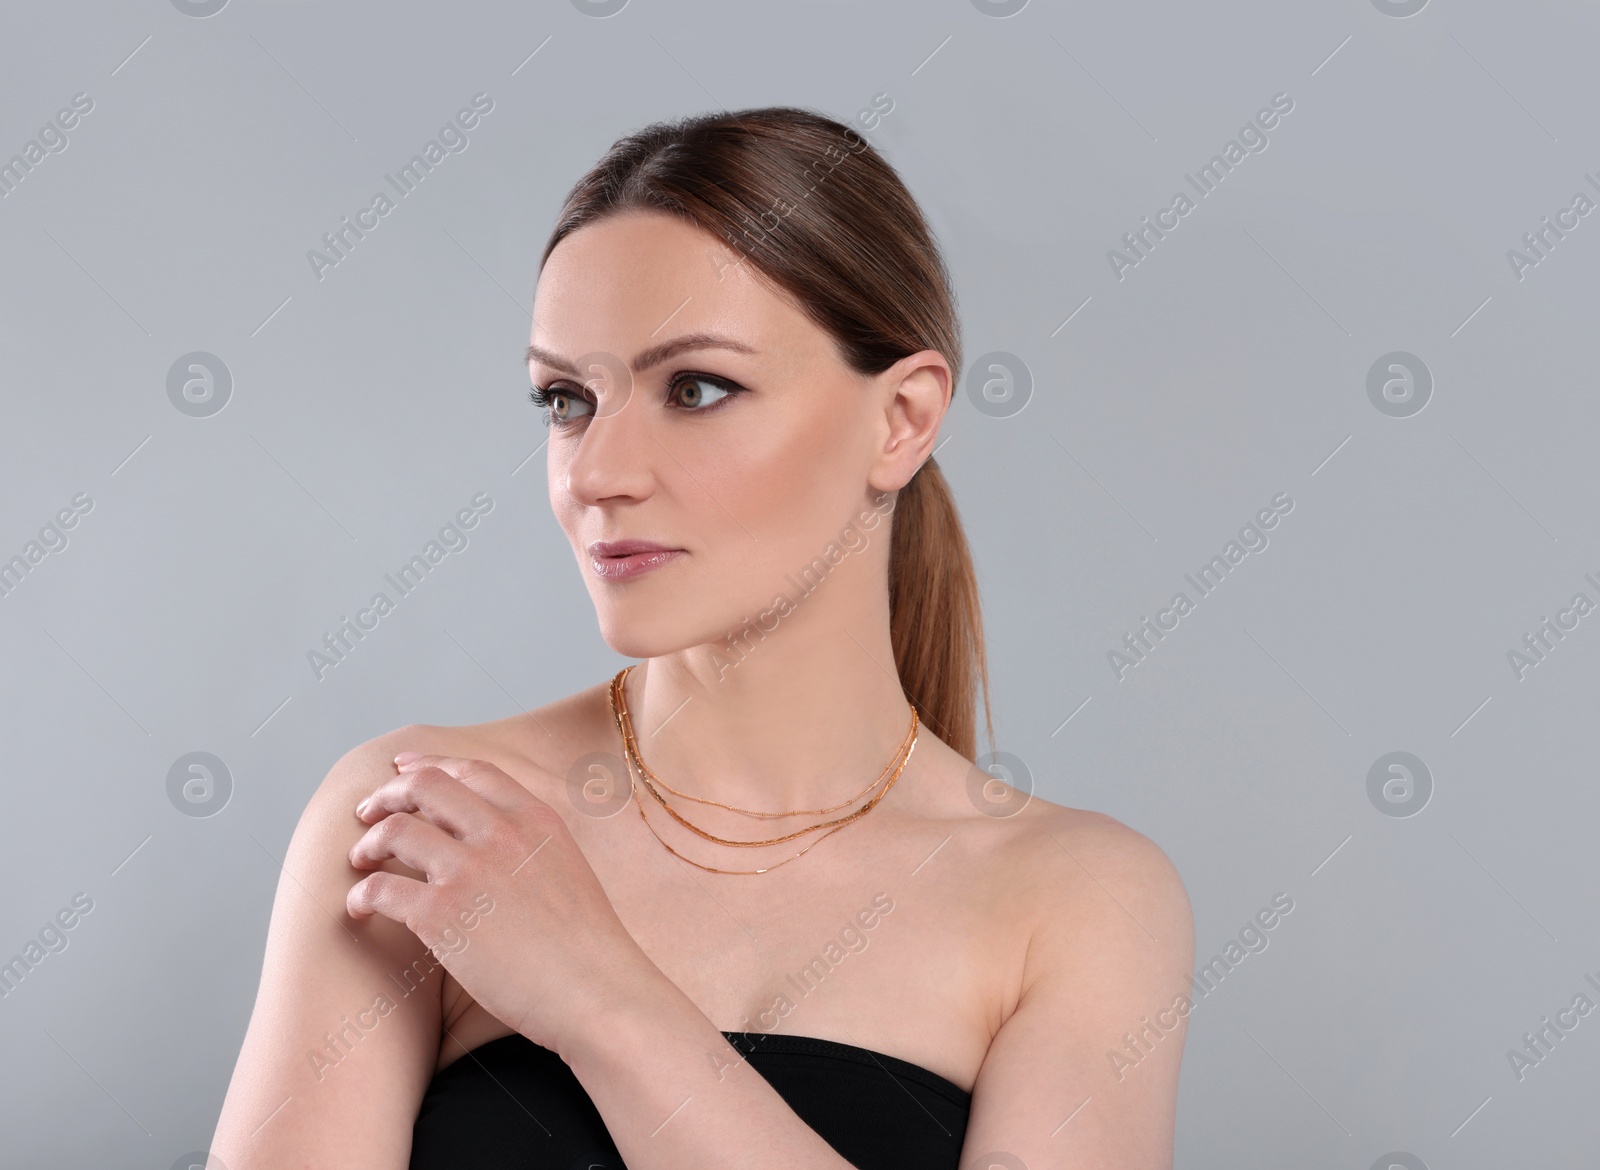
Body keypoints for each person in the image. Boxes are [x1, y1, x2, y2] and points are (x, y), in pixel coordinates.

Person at [210, 105, 1193, 1170]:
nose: (595, 473)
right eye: (567, 399)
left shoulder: (1075, 899)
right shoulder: (426, 819)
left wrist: (601, 998)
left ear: (901, 420)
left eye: (698, 388)